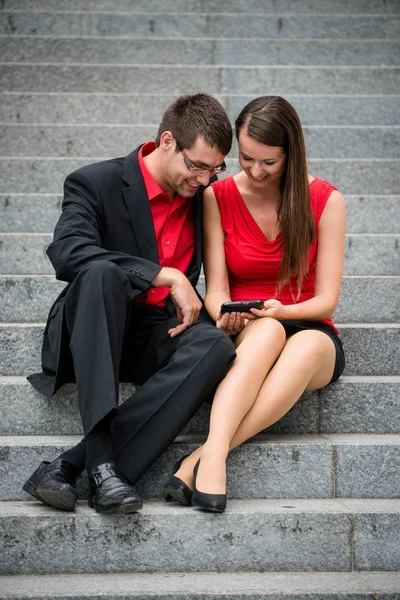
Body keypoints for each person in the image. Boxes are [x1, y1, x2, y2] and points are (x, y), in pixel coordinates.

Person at [23, 93, 236, 515]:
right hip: (91, 325)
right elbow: (66, 252)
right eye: (197, 166)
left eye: (216, 169)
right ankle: (103, 464)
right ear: (168, 141)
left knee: (215, 346)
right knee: (103, 273)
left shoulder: (203, 198)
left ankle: (71, 464)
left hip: (152, 331)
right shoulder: (95, 182)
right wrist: (161, 273)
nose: (205, 180)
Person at [163, 96, 346, 512]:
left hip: (308, 322)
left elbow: (326, 300)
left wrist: (283, 311)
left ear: (291, 155)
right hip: (249, 320)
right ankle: (208, 462)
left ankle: (206, 455)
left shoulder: (326, 200)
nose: (256, 170)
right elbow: (217, 288)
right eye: (246, 158)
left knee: (305, 344)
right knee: (267, 331)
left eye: (270, 162)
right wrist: (225, 316)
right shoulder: (218, 195)